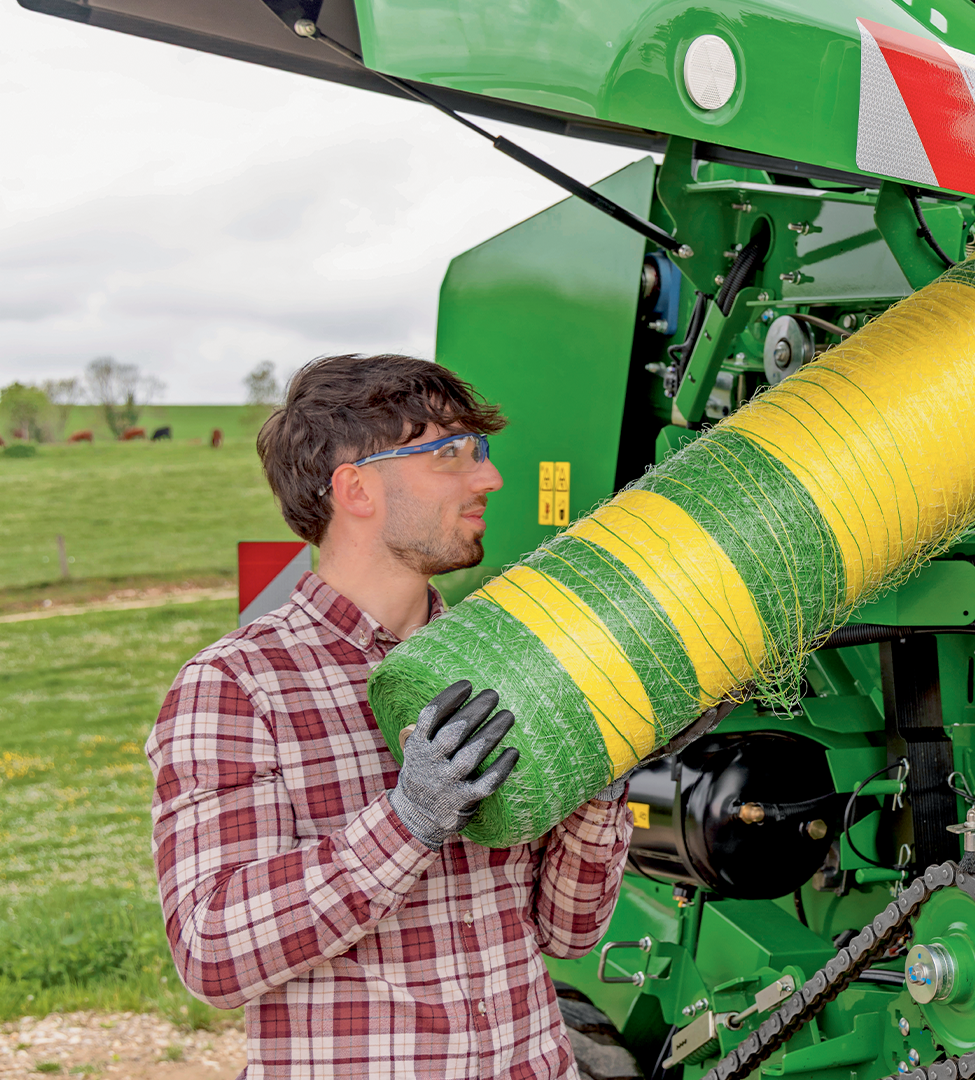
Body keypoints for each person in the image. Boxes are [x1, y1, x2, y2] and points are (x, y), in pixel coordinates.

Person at [146, 354, 633, 1079]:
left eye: (482, 453)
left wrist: (609, 768)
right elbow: (213, 952)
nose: (489, 479)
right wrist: (407, 821)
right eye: (450, 455)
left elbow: (568, 932)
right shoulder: (238, 686)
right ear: (356, 488)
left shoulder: (506, 661)